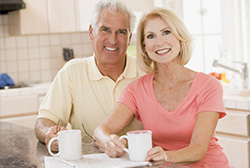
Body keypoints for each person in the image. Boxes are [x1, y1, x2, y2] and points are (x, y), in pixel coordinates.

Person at [94, 7, 231, 168]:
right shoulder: (137, 89)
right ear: (145, 46)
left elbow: (198, 149)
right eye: (151, 36)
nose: (159, 42)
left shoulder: (208, 86)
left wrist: (165, 155)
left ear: (179, 37)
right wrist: (109, 142)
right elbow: (101, 131)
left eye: (166, 32)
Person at [34, 0, 144, 152]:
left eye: (121, 32)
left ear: (129, 37)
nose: (113, 40)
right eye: (105, 30)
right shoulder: (72, 73)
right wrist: (49, 133)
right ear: (91, 32)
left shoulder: (145, 72)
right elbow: (44, 121)